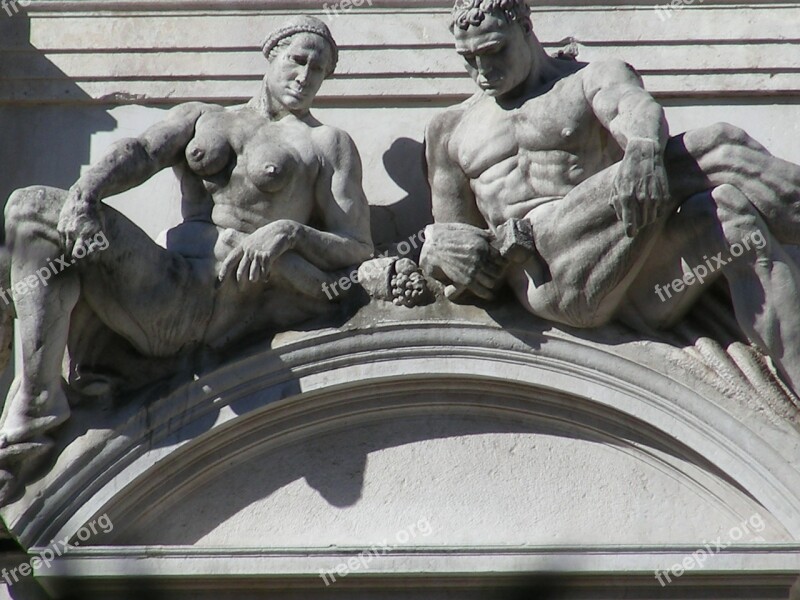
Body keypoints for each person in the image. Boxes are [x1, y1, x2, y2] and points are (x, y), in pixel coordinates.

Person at [0, 16, 373, 492]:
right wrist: (87, 193)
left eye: (318, 70)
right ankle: (37, 398)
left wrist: (289, 232)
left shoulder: (324, 144)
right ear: (271, 56)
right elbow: (140, 152)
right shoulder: (205, 117)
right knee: (30, 209)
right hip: (163, 284)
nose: (305, 75)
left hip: (218, 303)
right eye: (297, 60)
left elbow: (359, 247)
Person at [420, 0, 800, 393]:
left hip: (634, 286)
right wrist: (434, 249)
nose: (483, 72)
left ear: (526, 29)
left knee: (731, 218)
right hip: (547, 274)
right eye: (468, 58)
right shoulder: (450, 129)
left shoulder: (589, 79)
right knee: (717, 147)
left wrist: (644, 149)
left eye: (494, 50)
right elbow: (453, 240)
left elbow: (630, 108)